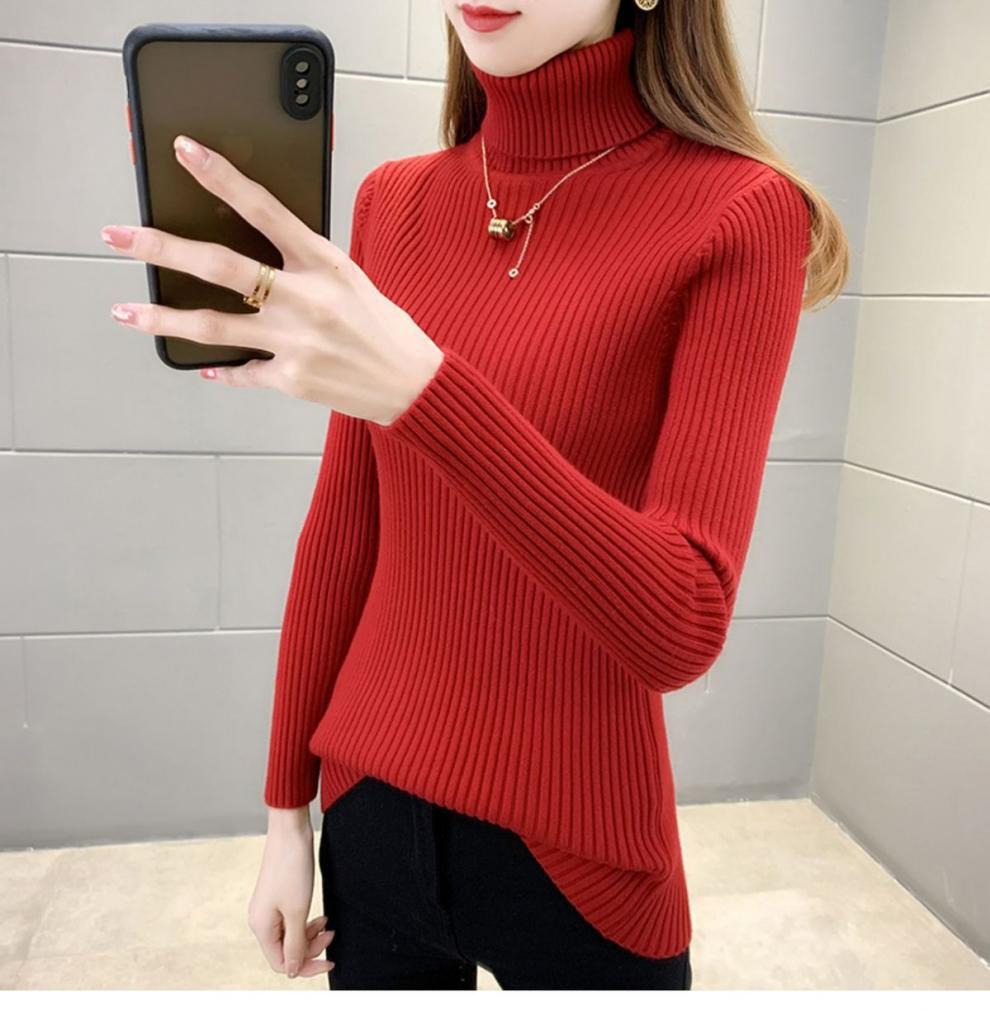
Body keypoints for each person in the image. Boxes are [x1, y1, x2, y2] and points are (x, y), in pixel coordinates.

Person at [102, 0, 847, 992]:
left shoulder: (740, 211)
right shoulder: (392, 203)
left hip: (582, 846)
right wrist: (286, 813)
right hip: (371, 809)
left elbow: (682, 620)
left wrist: (428, 392)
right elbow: (344, 531)